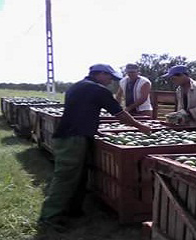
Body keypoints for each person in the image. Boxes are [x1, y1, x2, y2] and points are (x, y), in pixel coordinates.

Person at [38, 64, 151, 232]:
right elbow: (119, 114)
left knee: (80, 175)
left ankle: (73, 210)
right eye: (110, 77)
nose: (111, 81)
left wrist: (95, 130)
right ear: (100, 74)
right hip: (73, 138)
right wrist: (140, 127)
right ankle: (49, 216)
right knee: (66, 177)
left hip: (73, 135)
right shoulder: (98, 90)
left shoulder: (76, 87)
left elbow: (81, 113)